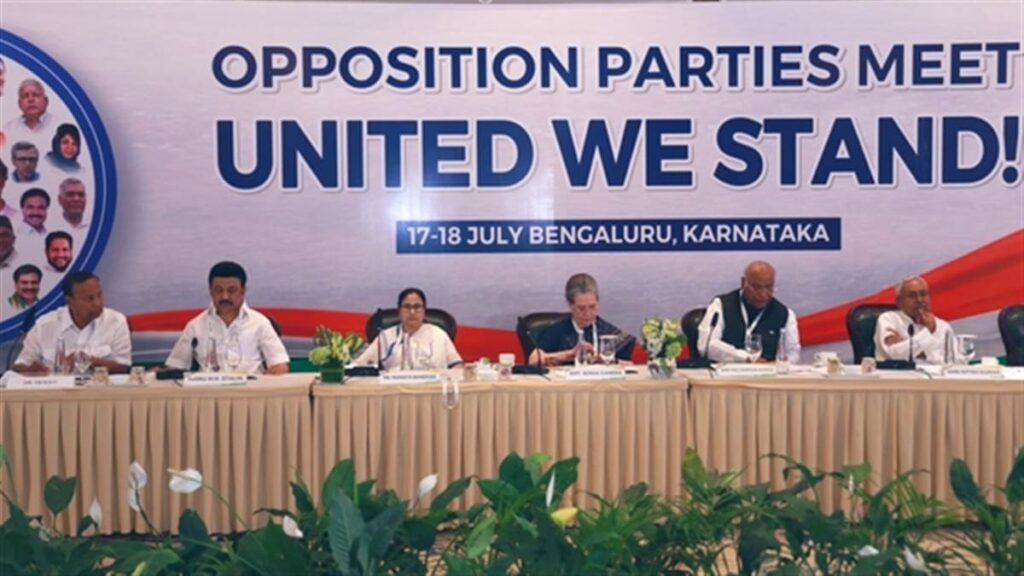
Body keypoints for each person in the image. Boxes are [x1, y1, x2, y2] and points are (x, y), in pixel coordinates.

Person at [165, 261, 290, 375]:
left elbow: (279, 364)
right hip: (208, 390)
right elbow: (177, 365)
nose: (225, 296)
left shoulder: (260, 323)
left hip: (250, 390)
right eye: (219, 290)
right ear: (210, 291)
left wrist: (276, 370)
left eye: (232, 290)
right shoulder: (195, 326)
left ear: (243, 291)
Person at [13, 271, 132, 374]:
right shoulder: (44, 325)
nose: (97, 303)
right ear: (69, 301)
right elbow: (20, 366)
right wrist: (31, 371)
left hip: (100, 391)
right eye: (89, 298)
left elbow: (123, 367)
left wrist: (87, 361)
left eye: (99, 295)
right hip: (56, 392)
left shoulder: (116, 322)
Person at [697, 260, 801, 363]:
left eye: (769, 287)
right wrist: (745, 357)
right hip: (725, 371)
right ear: (743, 283)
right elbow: (706, 345)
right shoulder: (720, 305)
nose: (763, 294)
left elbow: (793, 352)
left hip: (766, 372)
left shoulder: (785, 314)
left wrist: (781, 363)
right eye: (756, 287)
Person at [528, 273, 635, 366]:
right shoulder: (556, 332)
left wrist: (607, 361)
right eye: (581, 308)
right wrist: (569, 354)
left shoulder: (610, 333)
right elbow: (533, 360)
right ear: (570, 306)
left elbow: (629, 366)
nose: (588, 313)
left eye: (592, 307)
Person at [353, 287, 463, 371]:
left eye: (417, 307)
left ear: (424, 311)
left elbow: (457, 365)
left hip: (433, 390)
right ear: (399, 311)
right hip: (394, 391)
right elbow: (359, 364)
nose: (412, 312)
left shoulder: (439, 334)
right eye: (407, 307)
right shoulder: (385, 337)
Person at [874, 275, 959, 365]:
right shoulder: (889, 319)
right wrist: (928, 331)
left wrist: (920, 353)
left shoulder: (942, 326)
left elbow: (956, 360)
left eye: (923, 294)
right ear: (899, 301)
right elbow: (892, 355)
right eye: (912, 296)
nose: (919, 300)